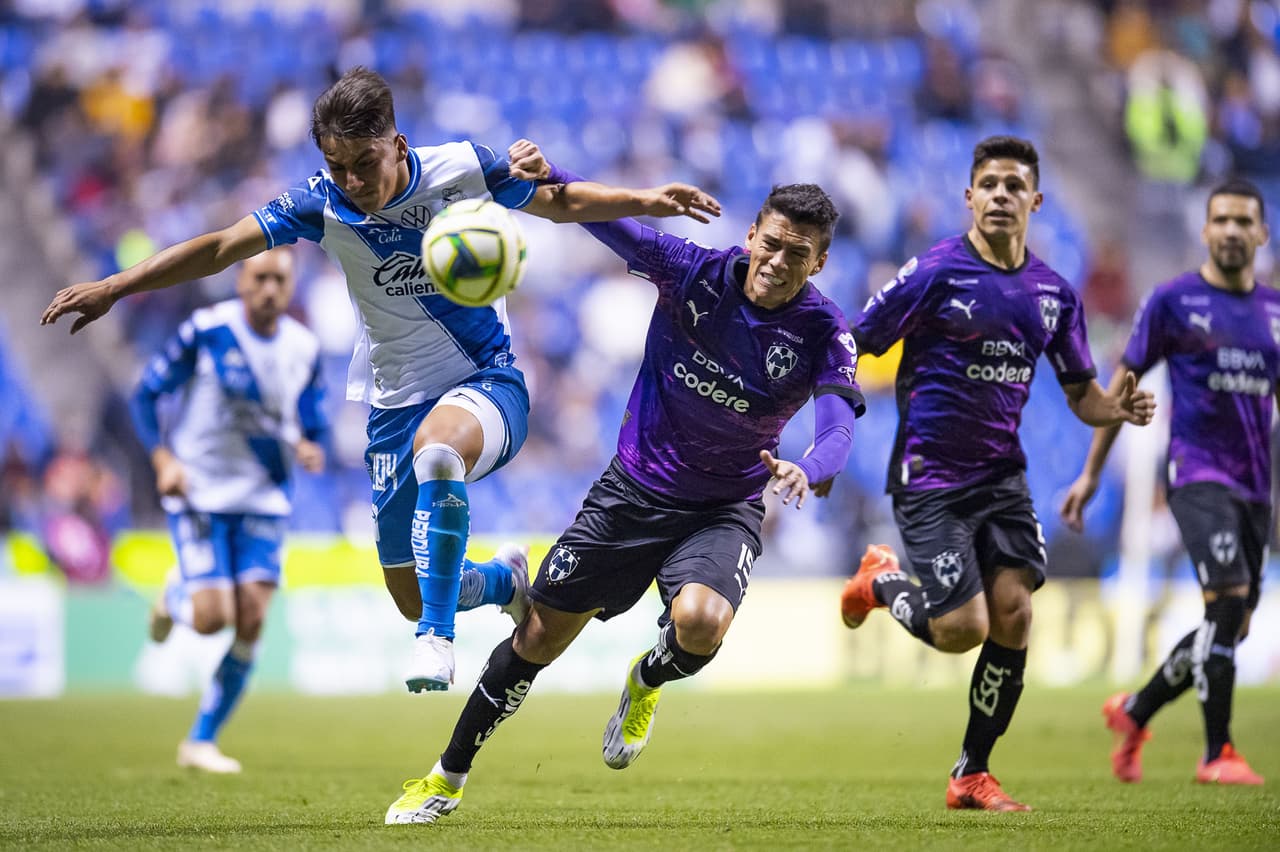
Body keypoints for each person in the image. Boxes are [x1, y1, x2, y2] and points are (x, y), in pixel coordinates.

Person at [42, 67, 720, 694]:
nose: (352, 181)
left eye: (364, 164)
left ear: (397, 143)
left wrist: (644, 198)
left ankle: (438, 641)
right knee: (411, 592)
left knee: (440, 450)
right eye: (337, 167)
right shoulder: (320, 204)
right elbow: (221, 245)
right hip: (393, 404)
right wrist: (116, 284)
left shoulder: (462, 168)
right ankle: (503, 582)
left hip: (489, 384)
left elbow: (558, 201)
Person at [383, 180, 864, 824]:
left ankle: (647, 682)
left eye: (797, 254)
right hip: (632, 493)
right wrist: (541, 174)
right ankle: (445, 778)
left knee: (699, 622)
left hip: (724, 508)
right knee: (535, 640)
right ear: (752, 235)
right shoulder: (694, 272)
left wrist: (808, 467)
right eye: (771, 244)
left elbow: (836, 426)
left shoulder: (824, 330)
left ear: (819, 263)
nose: (778, 263)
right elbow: (598, 221)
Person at [838, 136, 1157, 811]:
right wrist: (829, 423)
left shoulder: (1051, 293)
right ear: (970, 197)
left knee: (1014, 614)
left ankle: (971, 772)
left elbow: (1082, 396)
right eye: (989, 184)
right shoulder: (932, 273)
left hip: (1002, 479)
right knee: (962, 631)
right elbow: (854, 339)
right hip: (930, 479)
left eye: (1015, 185)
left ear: (1035, 201)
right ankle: (880, 579)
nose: (1002, 195)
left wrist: (1117, 406)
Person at [1060, 178, 1274, 786]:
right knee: (1228, 601)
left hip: (1256, 488)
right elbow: (1120, 388)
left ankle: (1136, 710)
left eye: (1243, 222)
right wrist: (1092, 473)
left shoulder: (1274, 312)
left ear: (1260, 233)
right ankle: (1217, 753)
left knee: (1232, 622)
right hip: (1196, 473)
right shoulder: (1174, 302)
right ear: (1205, 230)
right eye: (1222, 220)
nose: (1232, 231)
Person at [131, 247, 327, 772]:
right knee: (212, 619)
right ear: (240, 280)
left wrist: (311, 445)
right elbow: (146, 395)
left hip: (265, 496)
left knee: (253, 620)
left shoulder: (304, 348)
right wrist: (163, 459)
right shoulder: (208, 331)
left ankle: (200, 740)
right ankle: (176, 596)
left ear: (291, 288)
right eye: (259, 278)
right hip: (201, 492)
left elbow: (313, 421)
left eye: (279, 282)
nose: (269, 290)